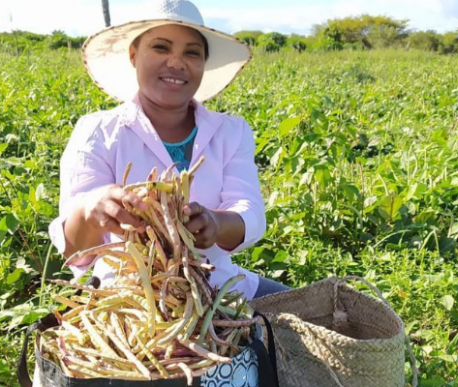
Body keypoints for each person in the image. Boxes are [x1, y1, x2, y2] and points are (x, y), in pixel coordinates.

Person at [48, 0, 289, 300]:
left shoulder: (231, 131)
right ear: (134, 55)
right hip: (130, 298)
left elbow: (249, 213)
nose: (177, 62)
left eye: (192, 53)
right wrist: (89, 211)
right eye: (161, 48)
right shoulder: (97, 132)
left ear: (203, 63)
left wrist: (215, 223)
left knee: (320, 320)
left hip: (220, 287)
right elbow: (74, 249)